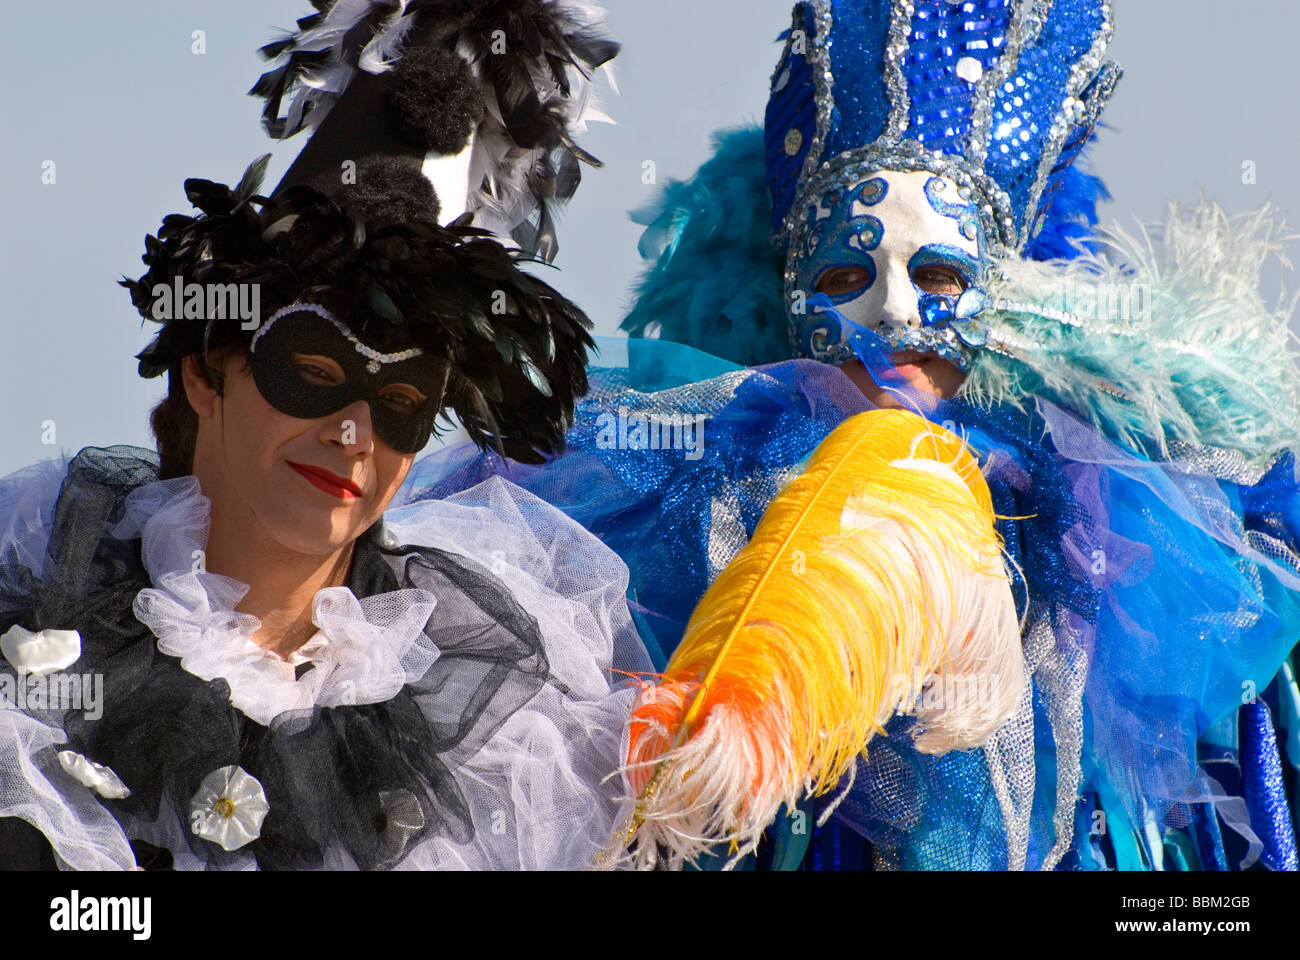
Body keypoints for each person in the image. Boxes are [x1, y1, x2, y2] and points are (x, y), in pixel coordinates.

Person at [404, 0, 1300, 870]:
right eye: (844, 272)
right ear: (784, 290)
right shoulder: (665, 488)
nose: (894, 313)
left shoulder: (1121, 546)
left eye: (941, 272)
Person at [0, 0, 654, 871]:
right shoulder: (35, 661)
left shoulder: (508, 746)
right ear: (207, 372)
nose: (353, 432)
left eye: (402, 400)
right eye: (311, 374)